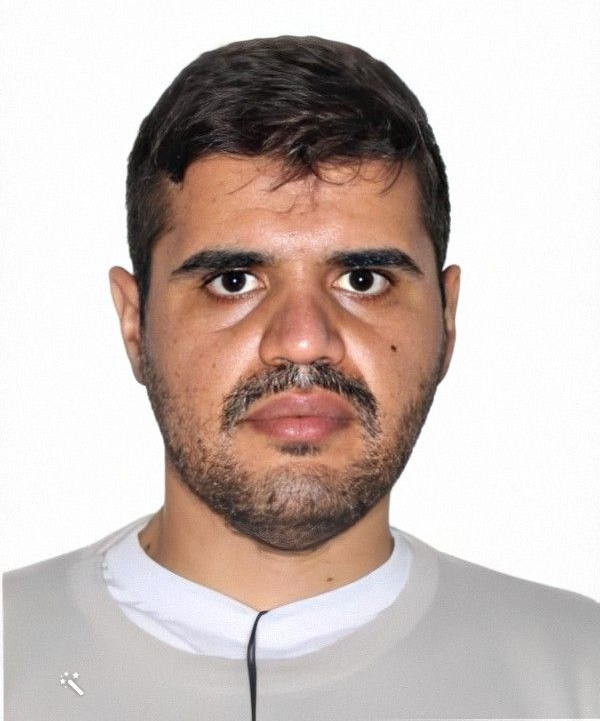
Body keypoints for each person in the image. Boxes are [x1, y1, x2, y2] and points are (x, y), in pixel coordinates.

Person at [3, 36, 599, 721]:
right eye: (233, 281)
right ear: (136, 324)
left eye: (363, 279)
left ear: (447, 317)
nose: (305, 340)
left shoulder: (580, 675)